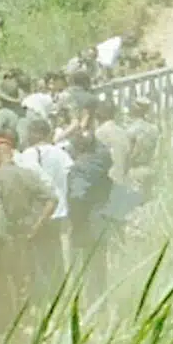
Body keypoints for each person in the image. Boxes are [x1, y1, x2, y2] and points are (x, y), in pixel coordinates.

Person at [0, 134, 57, 334]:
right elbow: (52, 199)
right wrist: (37, 226)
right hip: (26, 237)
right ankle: (25, 324)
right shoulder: (28, 175)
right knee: (23, 280)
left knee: (2, 285)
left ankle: (5, 328)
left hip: (2, 240)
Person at [15, 116, 72, 301]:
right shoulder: (61, 154)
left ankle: (41, 300)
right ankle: (58, 296)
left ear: (35, 133)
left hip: (38, 215)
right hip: (59, 212)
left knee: (37, 260)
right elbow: (70, 174)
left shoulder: (29, 155)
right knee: (55, 257)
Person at [66, 127, 114, 302]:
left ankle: (88, 309)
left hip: (86, 225)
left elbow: (78, 197)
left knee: (82, 272)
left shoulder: (79, 169)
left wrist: (76, 225)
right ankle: (102, 308)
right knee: (100, 270)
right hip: (102, 221)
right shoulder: (101, 162)